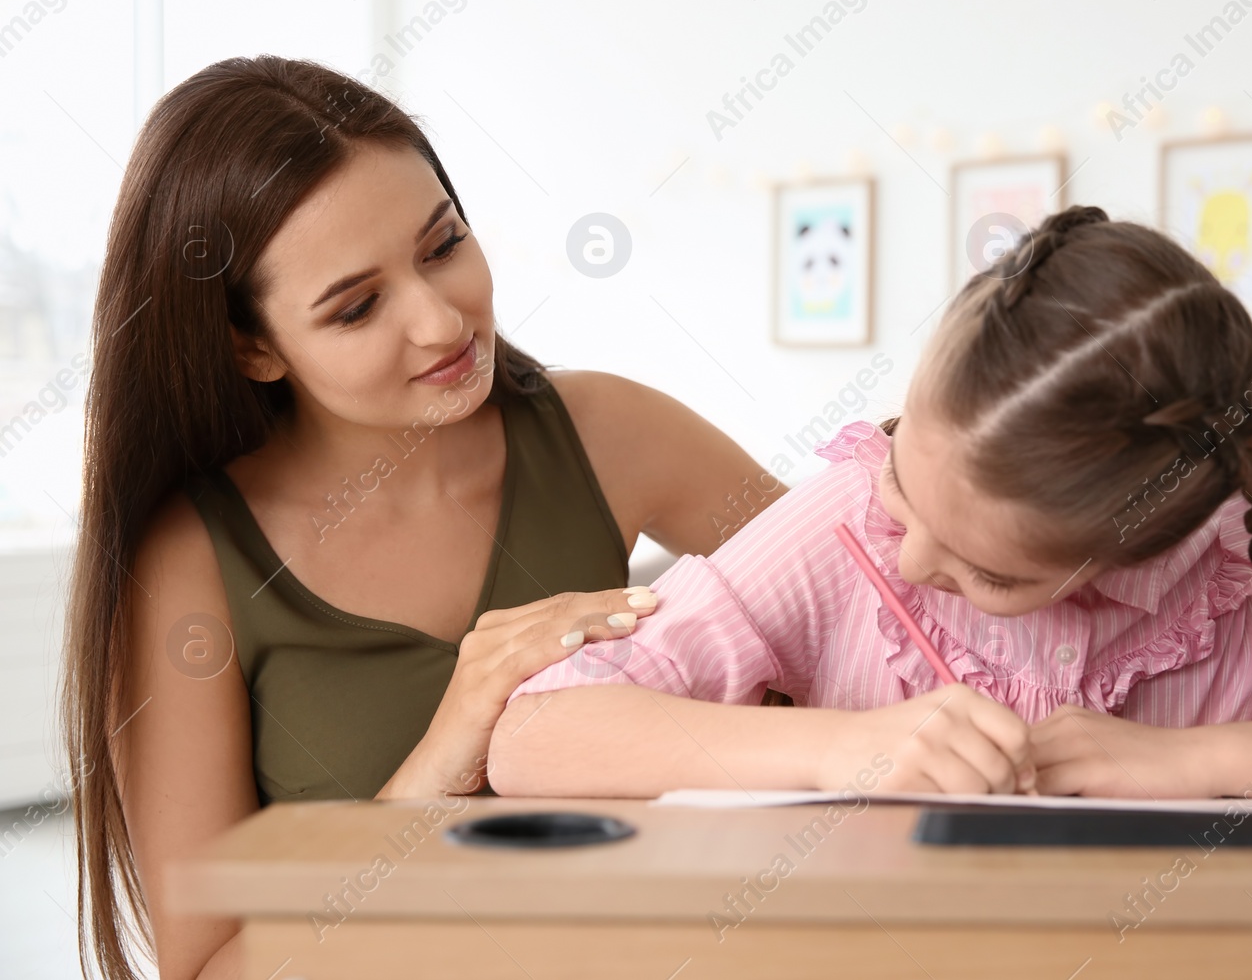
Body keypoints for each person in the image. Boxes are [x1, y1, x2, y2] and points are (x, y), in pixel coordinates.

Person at [62, 56, 785, 980]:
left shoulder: (610, 431)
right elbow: (211, 967)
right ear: (252, 347)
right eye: (358, 307)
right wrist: (444, 754)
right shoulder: (189, 561)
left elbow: (874, 598)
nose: (443, 323)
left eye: (443, 245)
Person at [487, 207, 1252, 811]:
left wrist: (1185, 766)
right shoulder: (846, 523)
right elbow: (536, 738)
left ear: (1154, 538)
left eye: (990, 571)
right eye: (908, 479)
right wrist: (845, 750)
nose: (909, 560)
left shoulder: (1242, 552)